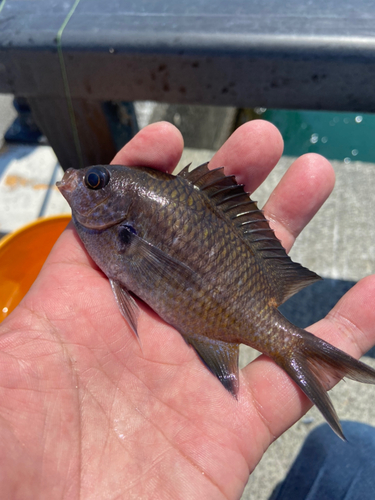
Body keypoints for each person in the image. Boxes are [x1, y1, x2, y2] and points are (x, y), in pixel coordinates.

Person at [0, 120, 374, 499]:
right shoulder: (118, 227)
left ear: (120, 210)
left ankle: (300, 351)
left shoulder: (121, 227)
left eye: (94, 181)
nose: (78, 179)